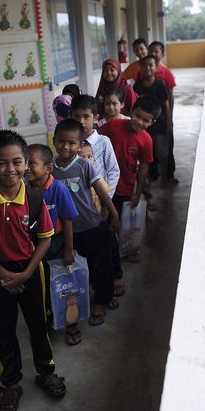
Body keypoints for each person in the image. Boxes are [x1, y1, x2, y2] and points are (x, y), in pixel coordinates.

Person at [0, 130, 66, 411]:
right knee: (4, 330)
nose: (10, 169)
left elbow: (45, 239)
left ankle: (46, 371)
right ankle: (9, 383)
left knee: (38, 325)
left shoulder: (34, 199)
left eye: (17, 162)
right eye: (2, 163)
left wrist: (25, 274)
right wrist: (2, 274)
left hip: (32, 270)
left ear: (25, 163)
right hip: (0, 274)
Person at [52, 119, 121, 325]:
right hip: (67, 232)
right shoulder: (51, 170)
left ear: (80, 145)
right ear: (54, 141)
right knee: (76, 268)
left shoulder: (83, 165)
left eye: (72, 143)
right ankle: (80, 300)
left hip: (92, 225)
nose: (66, 146)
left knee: (101, 265)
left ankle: (102, 300)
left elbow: (100, 189)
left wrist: (113, 212)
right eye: (61, 142)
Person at [24, 143, 83, 346]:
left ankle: (71, 323)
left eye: (32, 163)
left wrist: (69, 248)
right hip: (35, 245)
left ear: (48, 168)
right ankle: (47, 321)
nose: (25, 168)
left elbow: (67, 220)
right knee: (42, 285)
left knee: (65, 284)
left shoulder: (57, 188)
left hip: (57, 243)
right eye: (25, 163)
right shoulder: (24, 190)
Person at [70, 95, 124, 296]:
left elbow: (113, 170)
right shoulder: (70, 144)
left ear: (96, 118)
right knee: (90, 247)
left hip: (103, 201)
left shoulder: (103, 141)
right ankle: (95, 282)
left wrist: (106, 199)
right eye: (77, 116)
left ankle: (116, 275)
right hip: (81, 206)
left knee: (109, 240)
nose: (81, 121)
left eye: (86, 116)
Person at [99, 96, 157, 263]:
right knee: (108, 220)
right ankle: (108, 249)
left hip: (127, 187)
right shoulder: (113, 126)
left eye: (145, 120)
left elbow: (144, 167)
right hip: (105, 185)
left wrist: (138, 192)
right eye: (137, 116)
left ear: (152, 122)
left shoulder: (146, 140)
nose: (139, 121)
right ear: (130, 111)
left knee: (127, 222)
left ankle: (129, 249)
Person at [133, 55, 172, 187]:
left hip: (159, 125)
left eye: (151, 65)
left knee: (162, 152)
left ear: (156, 67)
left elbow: (166, 105)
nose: (148, 68)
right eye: (145, 65)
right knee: (144, 155)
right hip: (142, 126)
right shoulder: (137, 86)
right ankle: (147, 179)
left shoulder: (160, 84)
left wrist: (168, 123)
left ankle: (164, 178)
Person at [149, 41, 179, 184]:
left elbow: (170, 97)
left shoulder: (166, 73)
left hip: (163, 117)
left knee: (167, 147)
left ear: (162, 53)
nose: (154, 54)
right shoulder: (145, 72)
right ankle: (154, 175)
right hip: (150, 118)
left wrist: (169, 118)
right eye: (152, 51)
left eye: (157, 51)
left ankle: (169, 175)